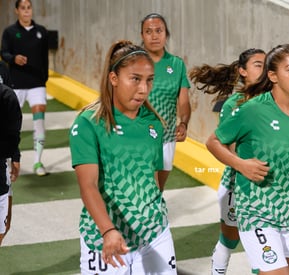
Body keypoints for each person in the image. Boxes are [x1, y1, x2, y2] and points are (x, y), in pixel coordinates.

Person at [206, 44, 289, 275]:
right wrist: (242, 165)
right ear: (272, 75)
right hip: (257, 210)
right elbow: (213, 142)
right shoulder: (251, 110)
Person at [69, 40, 177, 275]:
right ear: (114, 78)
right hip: (105, 238)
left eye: (149, 80)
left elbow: (154, 179)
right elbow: (88, 186)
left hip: (154, 233)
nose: (144, 89)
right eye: (135, 79)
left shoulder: (154, 123)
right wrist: (108, 230)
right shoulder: (88, 124)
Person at [189, 48, 266, 275]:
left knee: (266, 248)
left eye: (266, 64)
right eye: (258, 64)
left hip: (269, 186)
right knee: (230, 240)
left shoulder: (276, 100)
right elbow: (226, 146)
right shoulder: (234, 104)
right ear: (242, 71)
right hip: (238, 184)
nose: (264, 69)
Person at [140, 13, 191, 191]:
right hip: (140, 134)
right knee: (148, 187)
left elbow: (183, 101)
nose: (154, 36)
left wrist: (183, 123)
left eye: (159, 31)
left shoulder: (176, 64)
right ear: (142, 36)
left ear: (166, 34)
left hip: (168, 136)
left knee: (157, 190)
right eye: (148, 31)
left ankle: (154, 216)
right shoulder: (134, 63)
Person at [1, 0, 49, 176]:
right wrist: (14, 59)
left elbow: (45, 58)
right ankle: (8, 159)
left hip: (37, 84)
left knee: (39, 119)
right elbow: (3, 53)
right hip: (16, 85)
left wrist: (44, 79)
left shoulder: (41, 32)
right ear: (17, 11)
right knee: (10, 123)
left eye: (29, 8)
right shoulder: (10, 32)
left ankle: (38, 162)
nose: (27, 11)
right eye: (23, 8)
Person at [0, 83, 22, 246]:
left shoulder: (7, 95)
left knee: (4, 227)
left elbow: (12, 132)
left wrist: (15, 155)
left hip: (2, 164)